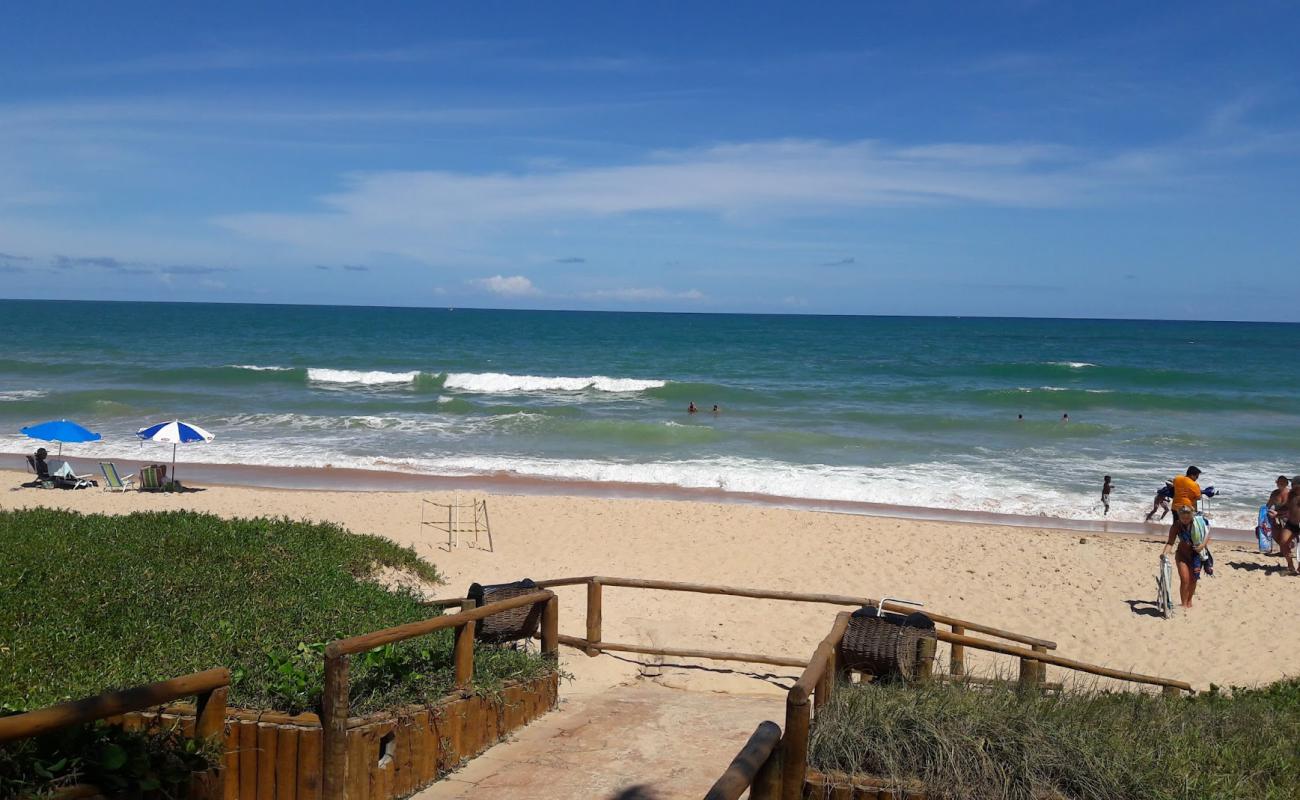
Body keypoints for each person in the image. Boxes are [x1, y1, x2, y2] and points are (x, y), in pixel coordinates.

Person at [1162, 504, 1210, 608]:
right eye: (1183, 518)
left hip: (1196, 556)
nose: (1185, 520)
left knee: (1193, 580)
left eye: (1187, 518)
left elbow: (1207, 535)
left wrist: (1202, 546)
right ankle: (1183, 604)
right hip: (1182, 555)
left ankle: (1189, 601)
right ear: (1179, 516)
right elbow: (1170, 543)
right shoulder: (1176, 526)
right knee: (1185, 580)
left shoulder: (1199, 523)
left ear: (1192, 516)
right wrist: (1164, 554)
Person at [1278, 476, 1300, 576]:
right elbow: (1286, 507)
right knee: (1283, 542)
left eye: (1293, 484)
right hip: (1291, 524)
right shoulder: (1291, 494)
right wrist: (1277, 513)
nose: (1291, 486)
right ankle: (1290, 567)